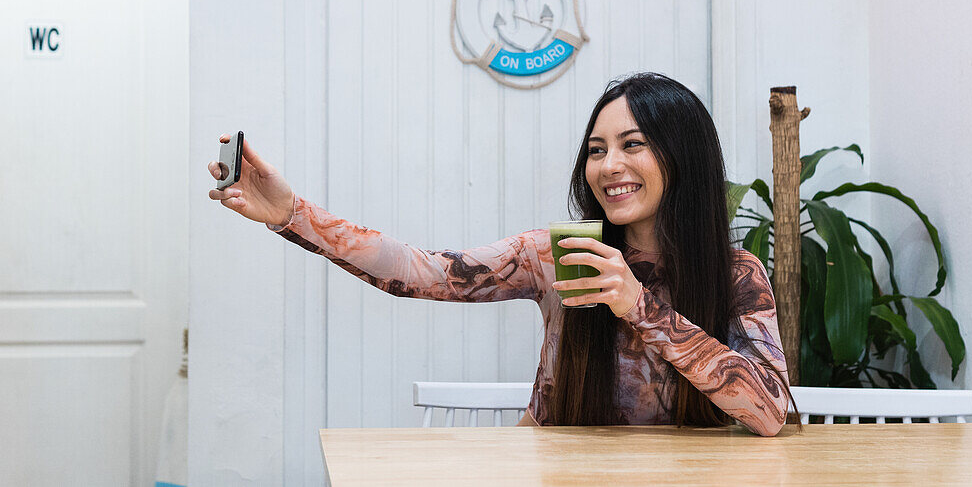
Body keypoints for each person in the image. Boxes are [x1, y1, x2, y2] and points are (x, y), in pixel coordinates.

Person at [208, 72, 792, 434]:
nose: (608, 166)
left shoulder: (737, 273)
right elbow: (424, 272)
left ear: (682, 158)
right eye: (596, 149)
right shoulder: (556, 256)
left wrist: (641, 307)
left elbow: (769, 415)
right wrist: (294, 215)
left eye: (632, 145)